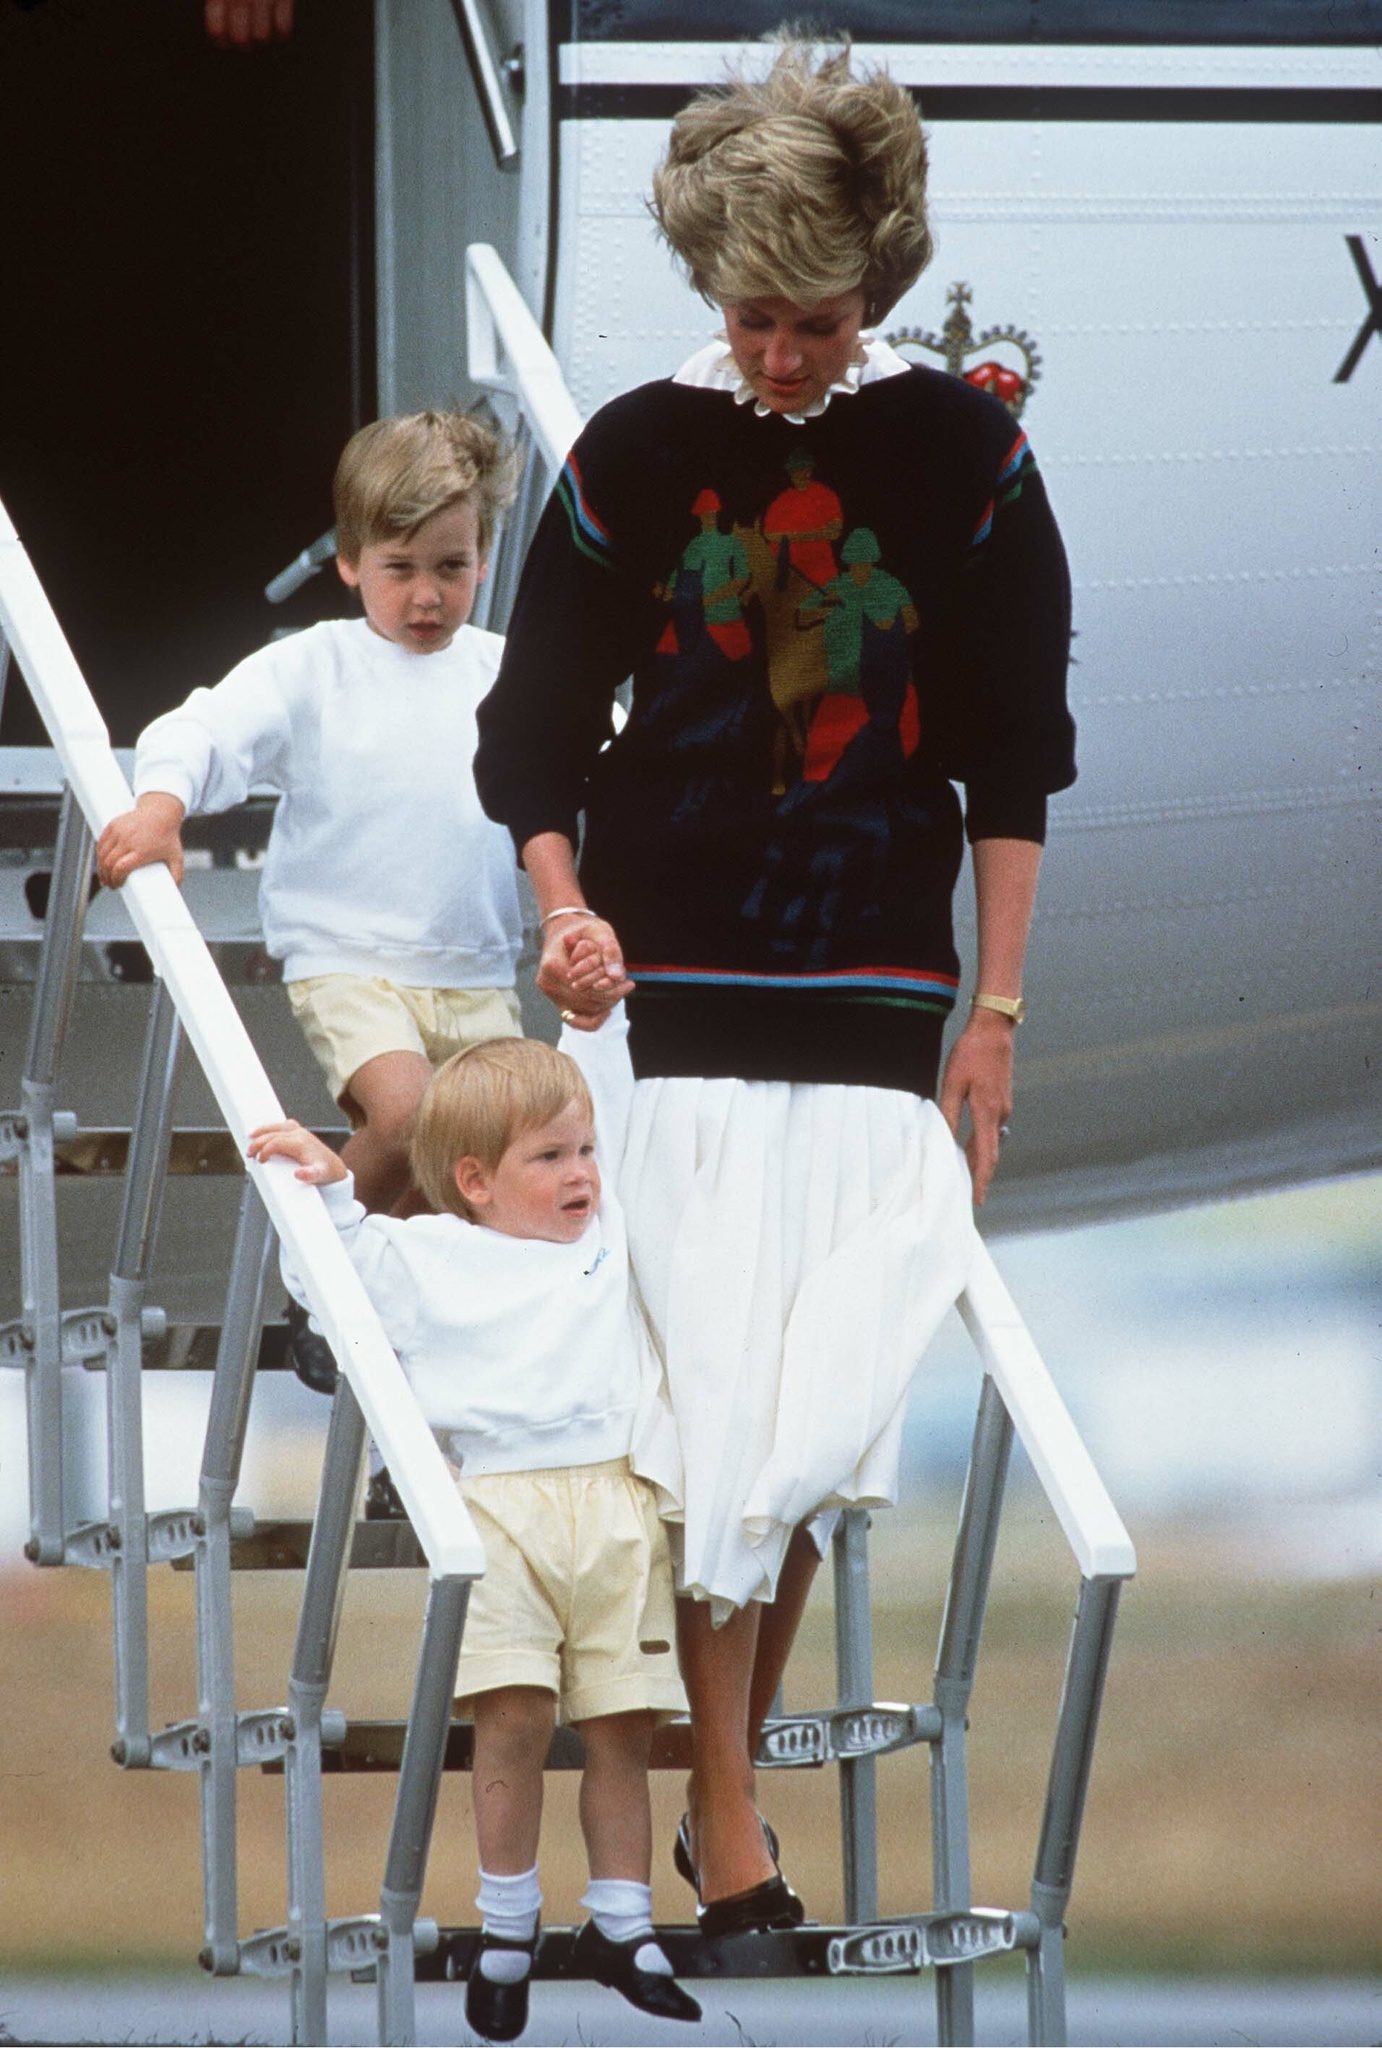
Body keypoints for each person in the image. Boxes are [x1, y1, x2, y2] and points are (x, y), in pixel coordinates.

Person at [473, 36, 1075, 1936]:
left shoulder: (965, 453)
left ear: (871, 286)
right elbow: (531, 733)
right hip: (675, 993)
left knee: (809, 1427)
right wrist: (564, 908)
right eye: (750, 317)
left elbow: (1013, 754)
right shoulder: (640, 448)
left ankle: (718, 1803)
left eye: (812, 319)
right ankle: (725, 1818)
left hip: (886, 990)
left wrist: (996, 1015)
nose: (781, 356)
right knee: (711, 1415)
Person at [247, 1018, 700, 2042]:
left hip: (616, 1503)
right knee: (513, 1720)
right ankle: (508, 1925)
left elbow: (620, 1093)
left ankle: (623, 1923)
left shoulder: (615, 1236)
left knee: (623, 1725)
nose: (580, 1171)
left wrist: (594, 1013)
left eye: (582, 1149)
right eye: (549, 1156)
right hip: (495, 1506)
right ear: (476, 1179)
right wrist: (323, 1184)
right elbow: (333, 1272)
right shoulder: (433, 1254)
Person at [96, 410, 525, 1223]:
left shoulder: (505, 670)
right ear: (351, 562)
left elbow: (608, 757)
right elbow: (206, 729)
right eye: (400, 567)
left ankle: (373, 1318)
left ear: (484, 559)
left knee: (470, 1180)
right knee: (404, 1119)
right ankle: (314, 1266)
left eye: (452, 566)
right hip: (348, 957)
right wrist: (162, 807)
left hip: (474, 968)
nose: (428, 594)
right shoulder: (316, 666)